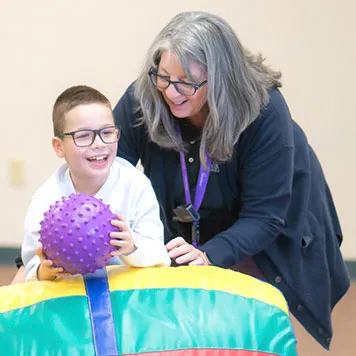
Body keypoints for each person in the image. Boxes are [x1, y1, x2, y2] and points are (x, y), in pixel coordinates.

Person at [111, 11, 350, 350]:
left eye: (187, 83)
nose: (172, 92)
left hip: (264, 232)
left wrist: (210, 254)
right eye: (163, 76)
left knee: (245, 331)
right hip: (189, 227)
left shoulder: (263, 109)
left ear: (219, 78)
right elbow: (108, 170)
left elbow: (265, 217)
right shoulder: (146, 95)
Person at [21, 85, 170, 281]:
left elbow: (160, 256)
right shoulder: (46, 199)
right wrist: (44, 271)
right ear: (59, 147)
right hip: (71, 294)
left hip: (125, 294)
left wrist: (132, 247)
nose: (99, 144)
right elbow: (31, 264)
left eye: (107, 132)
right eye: (83, 136)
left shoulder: (136, 186)